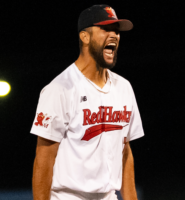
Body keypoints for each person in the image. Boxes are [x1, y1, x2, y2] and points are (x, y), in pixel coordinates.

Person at [30, 4, 144, 200]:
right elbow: (43, 161)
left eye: (116, 31)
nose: (114, 35)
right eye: (106, 29)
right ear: (85, 36)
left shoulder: (124, 88)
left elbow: (125, 152)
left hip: (108, 195)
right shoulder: (59, 89)